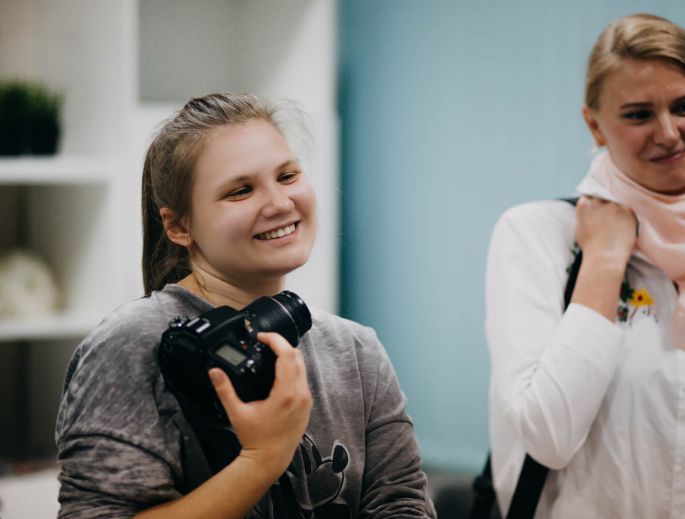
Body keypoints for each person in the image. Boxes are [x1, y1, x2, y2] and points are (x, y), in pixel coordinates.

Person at [55, 92, 437, 518]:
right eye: (240, 191)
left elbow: (403, 504)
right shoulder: (129, 344)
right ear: (178, 226)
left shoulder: (357, 351)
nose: (280, 203)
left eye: (288, 176)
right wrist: (261, 460)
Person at [485, 13, 685, 518]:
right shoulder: (536, 236)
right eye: (638, 115)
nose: (669, 133)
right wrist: (605, 260)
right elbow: (548, 437)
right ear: (594, 124)